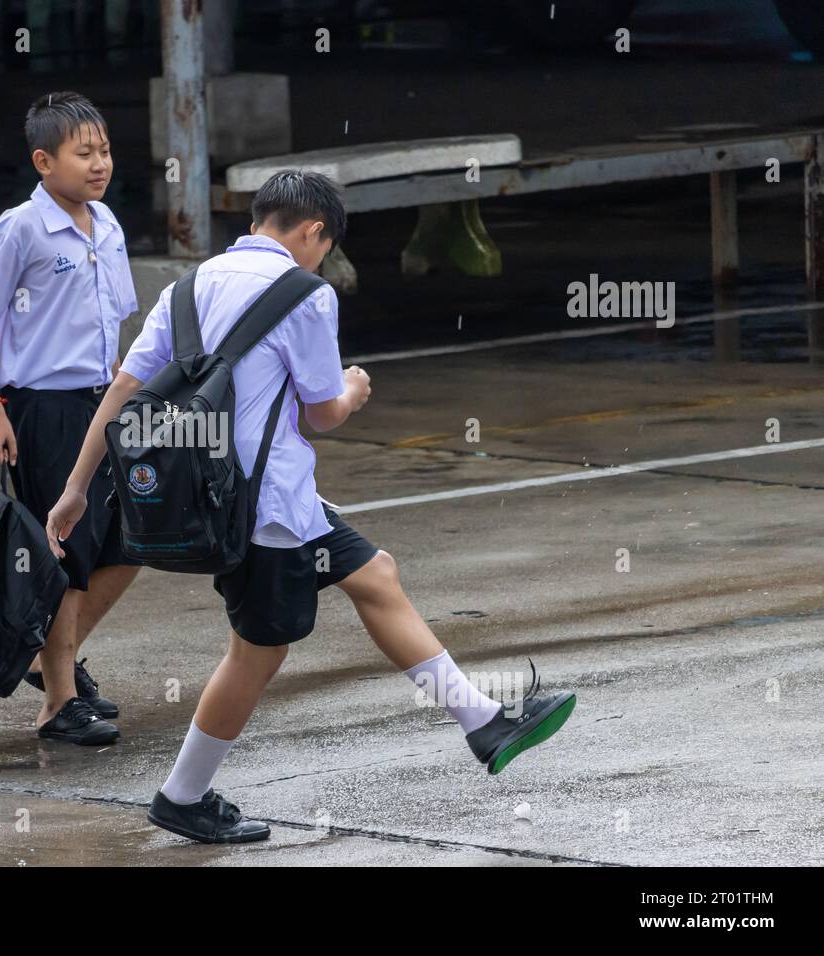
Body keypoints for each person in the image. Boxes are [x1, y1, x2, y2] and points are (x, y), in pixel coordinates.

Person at [45, 170, 577, 843]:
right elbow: (323, 413)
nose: (323, 259)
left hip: (241, 499)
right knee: (256, 656)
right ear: (312, 231)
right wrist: (353, 388)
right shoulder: (306, 294)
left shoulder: (188, 287)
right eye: (327, 246)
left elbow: (122, 393)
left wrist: (76, 488)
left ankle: (483, 724)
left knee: (376, 574)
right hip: (266, 511)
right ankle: (182, 795)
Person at [0, 91, 141, 745]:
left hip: (101, 403)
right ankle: (57, 703)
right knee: (64, 553)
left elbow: (115, 324)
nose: (100, 164)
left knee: (127, 542)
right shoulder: (21, 229)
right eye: (83, 153)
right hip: (45, 409)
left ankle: (51, 662)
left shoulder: (108, 225)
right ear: (43, 161)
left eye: (106, 150)